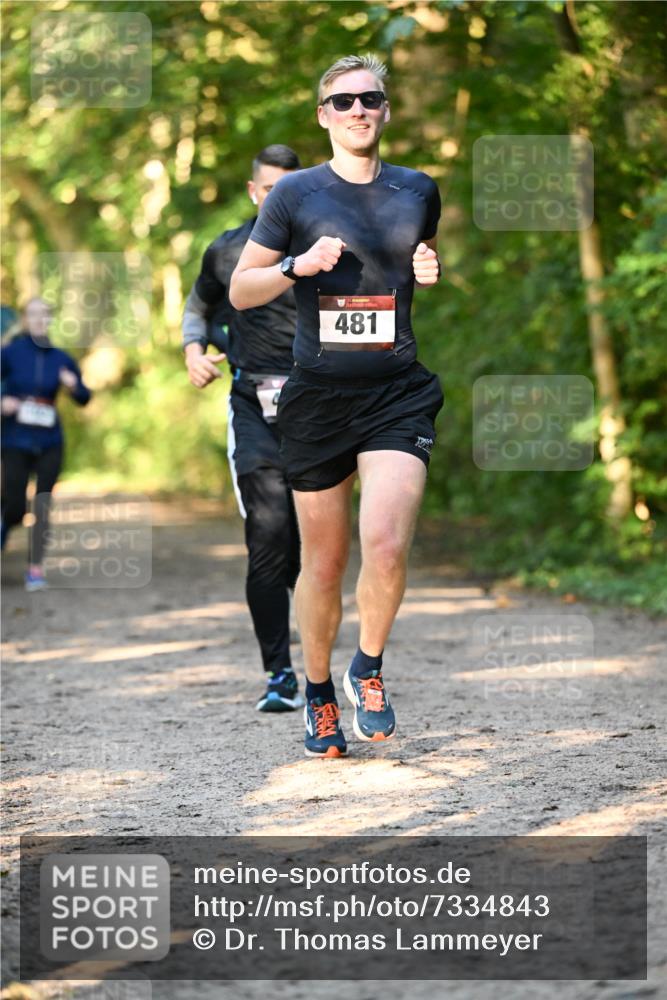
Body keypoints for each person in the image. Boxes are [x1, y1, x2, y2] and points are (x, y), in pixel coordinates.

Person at [230, 55, 443, 759]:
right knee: (322, 565)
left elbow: (414, 257)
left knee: (385, 542)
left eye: (369, 99)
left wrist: (427, 266)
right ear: (323, 114)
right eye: (342, 100)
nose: (357, 110)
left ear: (385, 109)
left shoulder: (417, 189)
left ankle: (368, 669)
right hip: (317, 397)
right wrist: (297, 267)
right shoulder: (291, 195)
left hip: (395, 391)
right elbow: (241, 290)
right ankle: (318, 692)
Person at [182, 144, 304, 712]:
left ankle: (317, 659)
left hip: (322, 411)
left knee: (308, 547)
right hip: (252, 405)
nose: (281, 198)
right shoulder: (227, 250)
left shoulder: (329, 247)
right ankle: (279, 673)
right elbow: (199, 305)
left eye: (292, 188)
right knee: (268, 536)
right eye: (271, 189)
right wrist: (192, 349)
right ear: (255, 192)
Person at [1, 297, 91, 590]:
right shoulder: (10, 353)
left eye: (44, 315)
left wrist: (73, 385)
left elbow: (84, 398)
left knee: (42, 503)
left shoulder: (61, 359)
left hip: (50, 440)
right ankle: (6, 525)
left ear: (50, 320)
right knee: (14, 506)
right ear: (25, 320)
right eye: (33, 315)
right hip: (15, 438)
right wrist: (4, 403)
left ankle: (35, 569)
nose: (39, 320)